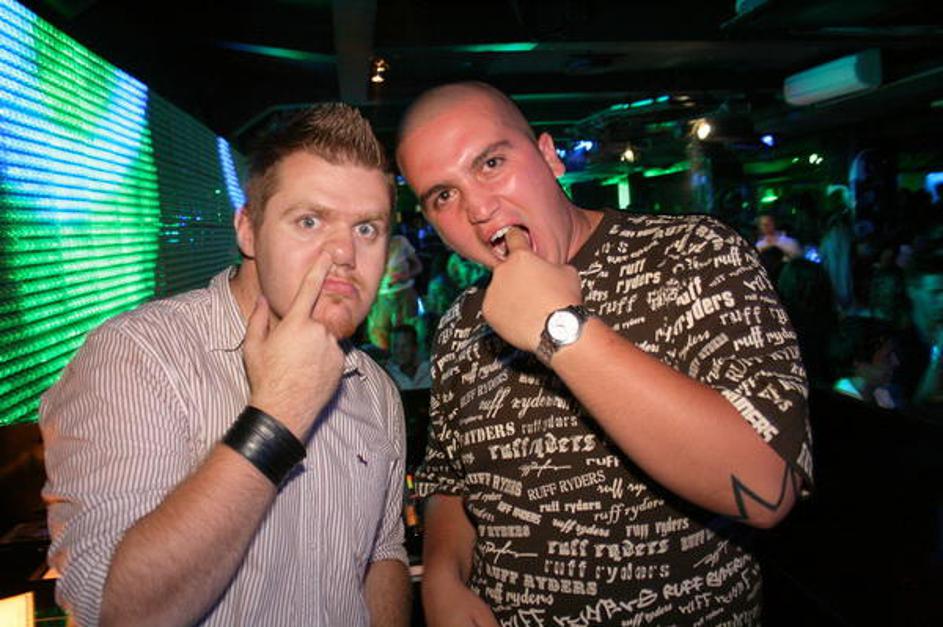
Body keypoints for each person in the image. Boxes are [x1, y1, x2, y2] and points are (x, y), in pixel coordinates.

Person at [396, 82, 812, 626]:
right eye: (443, 196)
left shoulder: (693, 256)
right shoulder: (459, 325)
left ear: (550, 156)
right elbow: (450, 479)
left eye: (491, 163)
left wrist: (559, 329)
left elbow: (768, 489)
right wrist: (443, 575)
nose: (478, 208)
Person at [39, 104, 410, 626]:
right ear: (248, 231)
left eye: (367, 228)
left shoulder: (373, 388)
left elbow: (383, 553)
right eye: (309, 221)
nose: (345, 254)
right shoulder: (139, 358)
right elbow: (115, 611)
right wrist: (277, 416)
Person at [367, 234, 424, 350]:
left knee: (407, 335)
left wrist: (405, 276)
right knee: (380, 339)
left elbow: (418, 266)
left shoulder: (400, 241)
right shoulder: (366, 244)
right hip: (381, 297)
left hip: (405, 294)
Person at [384, 324, 432, 391]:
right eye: (395, 346)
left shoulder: (429, 370)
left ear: (415, 347)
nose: (400, 351)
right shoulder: (386, 375)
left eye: (405, 346)